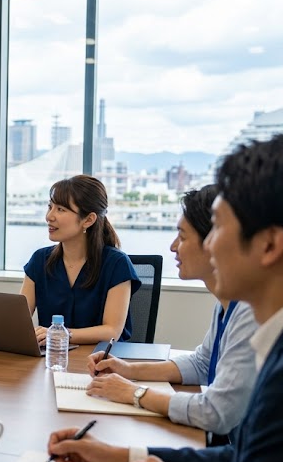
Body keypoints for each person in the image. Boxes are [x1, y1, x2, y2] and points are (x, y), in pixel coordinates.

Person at [46, 134, 283, 462]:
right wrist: (125, 457)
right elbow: (246, 460)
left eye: (217, 228)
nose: (207, 244)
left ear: (269, 245)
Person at [85, 185, 258, 442]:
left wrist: (135, 393)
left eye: (183, 237)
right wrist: (128, 369)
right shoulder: (227, 305)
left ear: (215, 241)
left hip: (240, 450)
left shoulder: (249, 312)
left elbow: (214, 411)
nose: (173, 246)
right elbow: (202, 364)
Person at [20, 174, 140, 345]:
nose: (49, 216)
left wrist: (61, 335)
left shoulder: (117, 263)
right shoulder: (40, 260)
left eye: (60, 209)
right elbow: (18, 321)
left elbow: (112, 331)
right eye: (50, 207)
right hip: (52, 356)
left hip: (101, 358)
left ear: (88, 220)